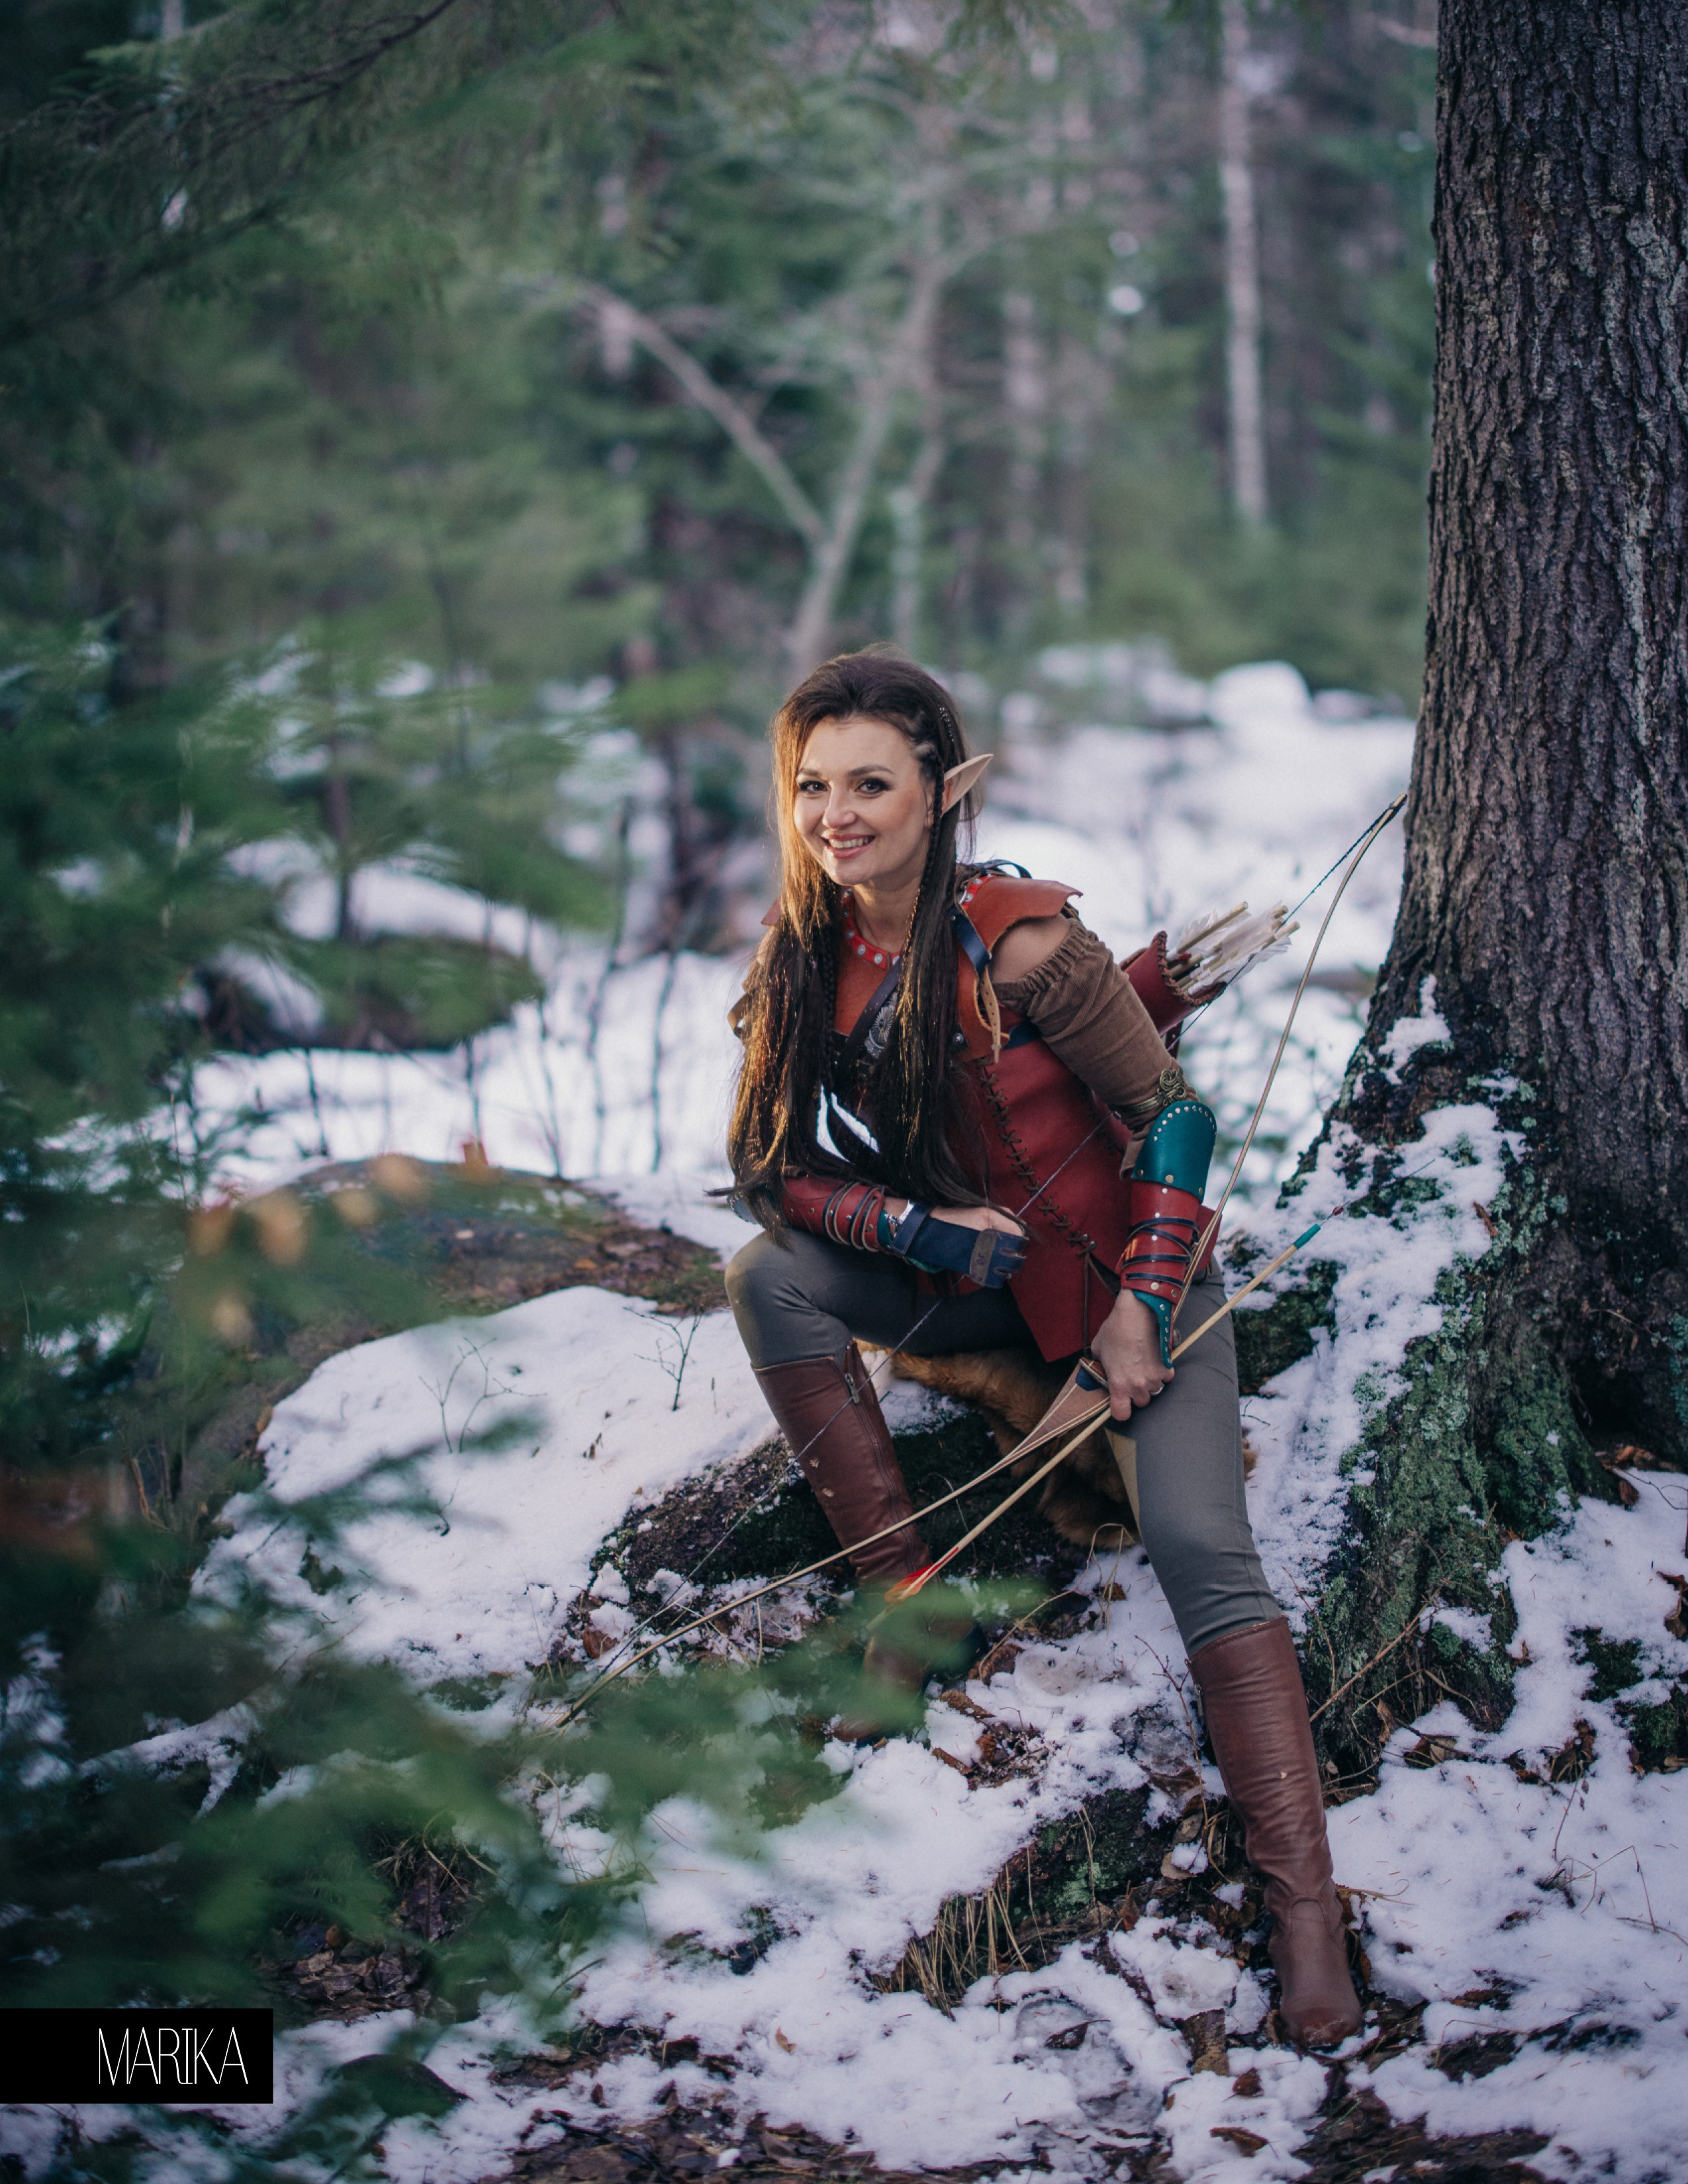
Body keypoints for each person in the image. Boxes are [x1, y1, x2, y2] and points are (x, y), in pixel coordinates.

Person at [722, 648, 1360, 2050]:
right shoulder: (807, 955)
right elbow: (772, 1177)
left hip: (1137, 1280)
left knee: (1199, 1547)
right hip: (979, 1283)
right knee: (772, 1282)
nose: (839, 814)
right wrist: (916, 1230)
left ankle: (1307, 1911)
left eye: (872, 784)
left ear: (946, 792)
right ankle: (905, 1607)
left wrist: (1143, 1299)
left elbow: (1175, 1120)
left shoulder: (1022, 939)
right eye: (814, 785)